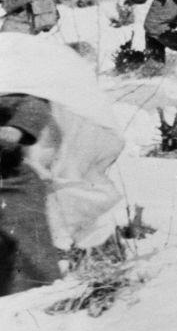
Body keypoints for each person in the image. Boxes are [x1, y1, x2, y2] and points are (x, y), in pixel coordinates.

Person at [0, 34, 124, 296]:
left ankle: (30, 288)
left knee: (24, 237)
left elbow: (31, 111)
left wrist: (14, 131)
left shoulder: (20, 94)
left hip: (12, 178)